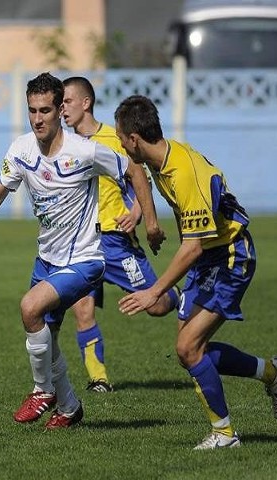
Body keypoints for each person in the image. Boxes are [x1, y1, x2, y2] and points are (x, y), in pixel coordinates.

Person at [0, 73, 165, 429]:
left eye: (45, 110)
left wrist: (149, 221)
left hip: (86, 260)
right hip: (47, 259)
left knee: (29, 308)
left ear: (61, 109)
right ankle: (70, 408)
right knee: (48, 338)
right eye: (32, 111)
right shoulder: (21, 150)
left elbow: (135, 170)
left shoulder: (85, 151)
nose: (38, 118)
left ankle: (42, 391)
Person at [114, 95, 277, 450]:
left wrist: (154, 291)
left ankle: (225, 434)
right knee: (190, 350)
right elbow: (172, 213)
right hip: (207, 258)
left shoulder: (182, 172)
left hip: (229, 257)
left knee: (188, 347)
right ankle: (272, 372)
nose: (119, 143)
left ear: (134, 137)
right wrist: (146, 219)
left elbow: (193, 245)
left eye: (120, 136)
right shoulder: (160, 160)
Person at [62, 76, 180, 393]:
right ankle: (98, 379)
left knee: (155, 306)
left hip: (115, 239)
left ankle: (179, 294)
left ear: (86, 102)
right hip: (81, 243)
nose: (62, 110)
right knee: (82, 310)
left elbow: (139, 177)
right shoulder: (65, 144)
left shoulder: (113, 138)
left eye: (67, 102)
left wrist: (140, 215)